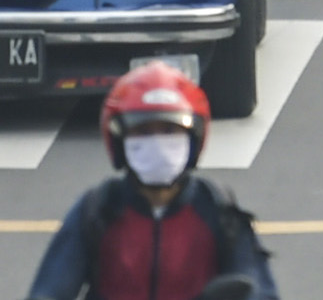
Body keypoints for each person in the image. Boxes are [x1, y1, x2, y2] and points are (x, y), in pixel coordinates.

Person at [28, 63, 279, 300]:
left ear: (193, 139)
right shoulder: (98, 211)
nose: (157, 142)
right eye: (143, 131)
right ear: (119, 141)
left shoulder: (218, 211)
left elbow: (259, 290)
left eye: (169, 131)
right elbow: (48, 292)